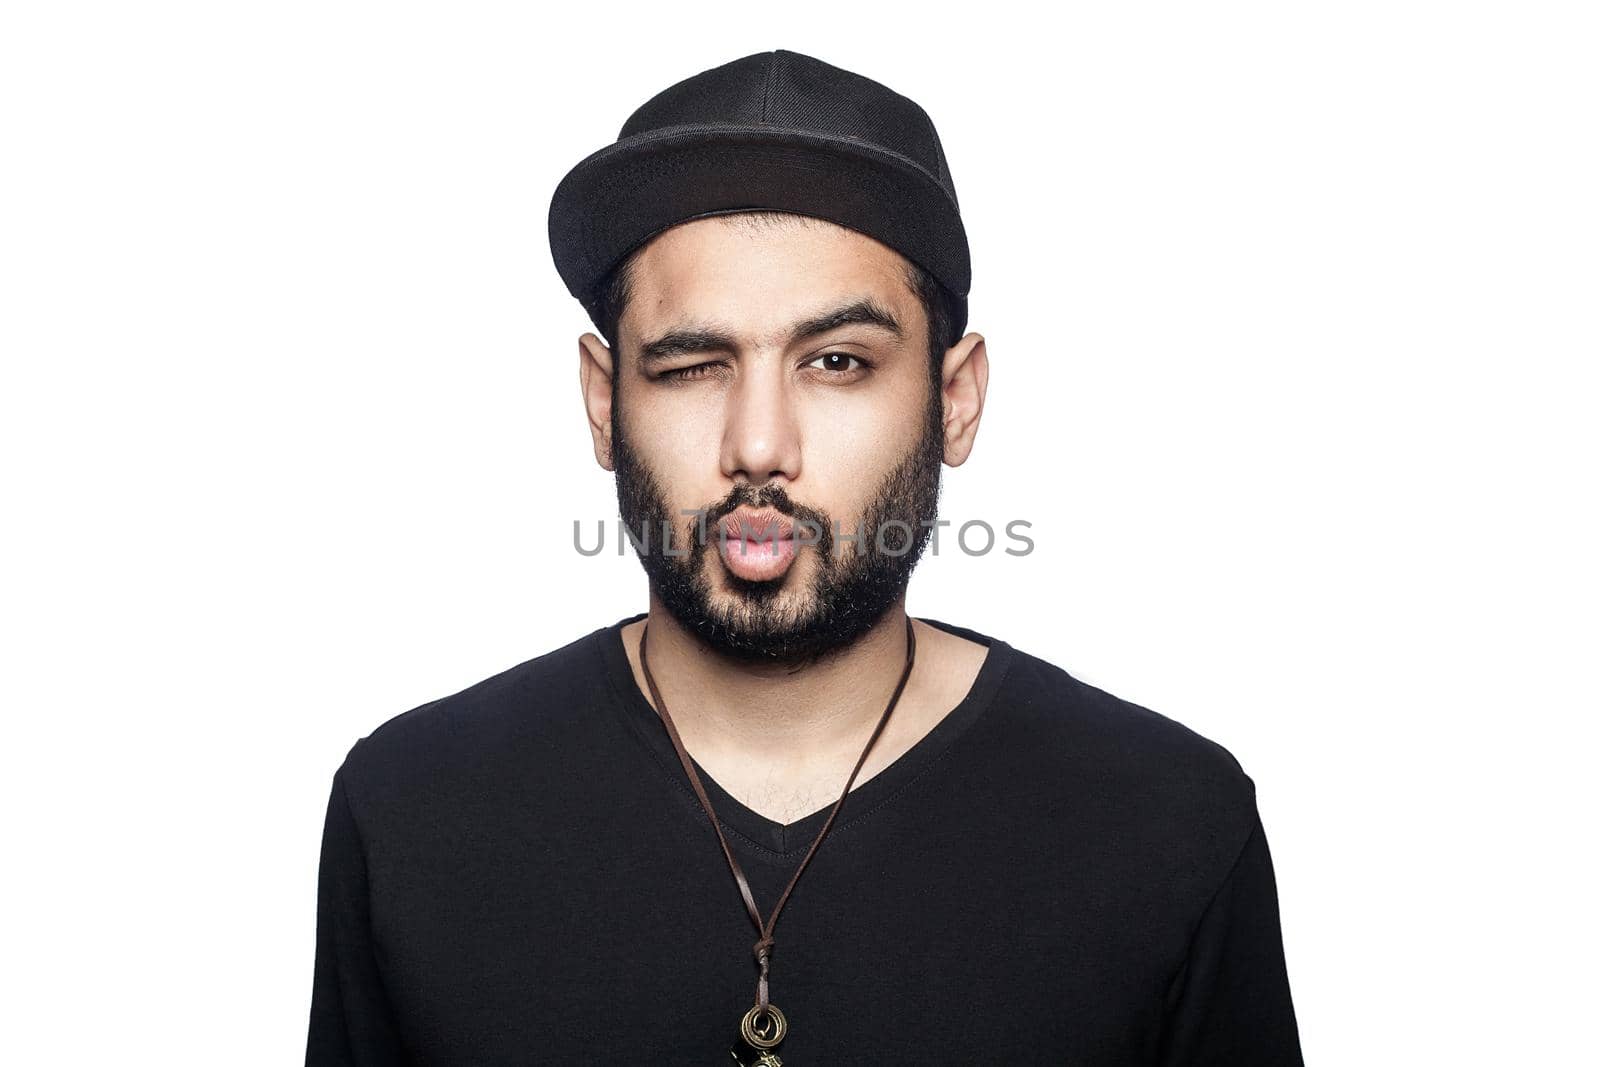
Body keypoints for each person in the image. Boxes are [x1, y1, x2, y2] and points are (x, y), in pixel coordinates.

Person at [305, 49, 1303, 1066]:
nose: (759, 446)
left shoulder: (1166, 820)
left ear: (952, 399)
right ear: (605, 403)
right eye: (693, 365)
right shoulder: (415, 810)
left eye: (837, 363)